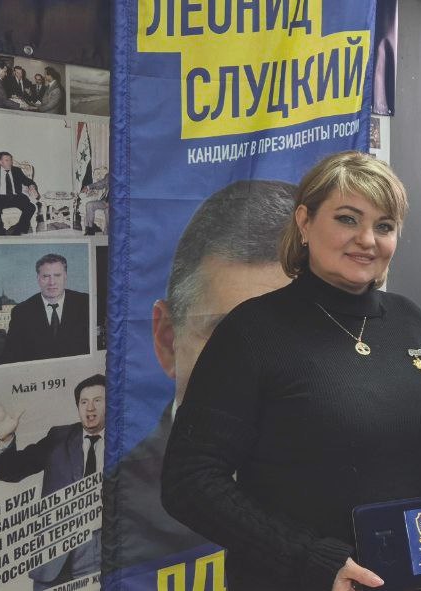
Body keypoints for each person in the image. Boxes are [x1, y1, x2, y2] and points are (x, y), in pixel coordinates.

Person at [161, 151, 421, 591]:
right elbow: (189, 481)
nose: (367, 239)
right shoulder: (252, 331)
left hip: (414, 578)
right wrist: (308, 557)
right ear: (304, 222)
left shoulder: (407, 319)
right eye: (348, 219)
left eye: (384, 226)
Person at [103, 179, 296, 574]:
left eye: (301, 333)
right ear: (167, 340)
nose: (268, 372)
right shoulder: (120, 514)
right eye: (227, 335)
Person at [0, 374, 106, 590]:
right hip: (53, 559)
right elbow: (11, 470)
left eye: (97, 400)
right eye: (83, 402)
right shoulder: (59, 437)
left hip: (102, 552)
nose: (90, 408)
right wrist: (4, 439)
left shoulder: (127, 439)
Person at [3, 253, 91, 363]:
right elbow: (10, 357)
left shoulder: (86, 303)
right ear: (38, 278)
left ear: (65, 276)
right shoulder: (21, 312)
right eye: (46, 276)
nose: (52, 282)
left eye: (57, 275)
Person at [0, 151, 38, 235]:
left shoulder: (16, 170)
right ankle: (0, 231)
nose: (10, 162)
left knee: (31, 207)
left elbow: (27, 181)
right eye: (7, 160)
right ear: (0, 162)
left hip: (15, 197)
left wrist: (32, 187)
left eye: (10, 160)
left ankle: (18, 231)